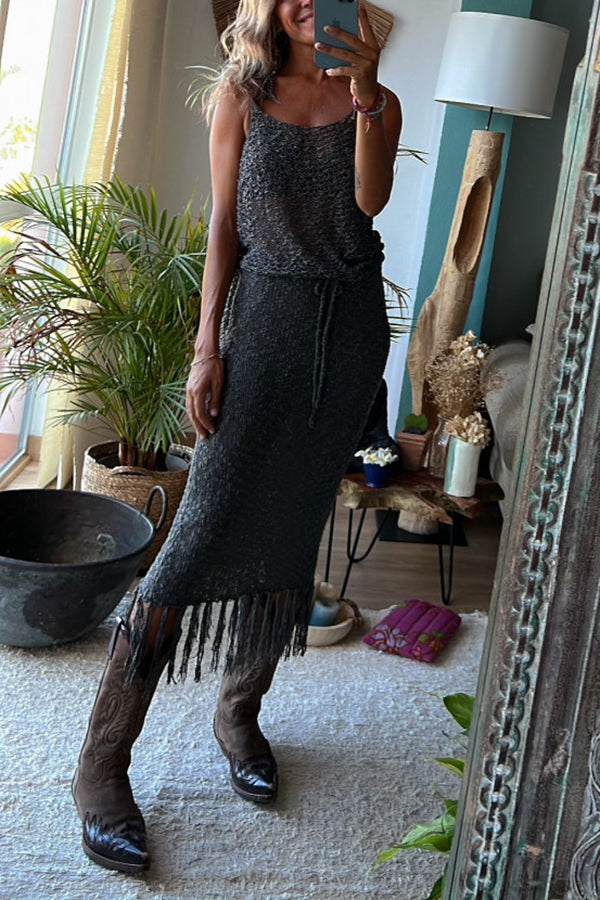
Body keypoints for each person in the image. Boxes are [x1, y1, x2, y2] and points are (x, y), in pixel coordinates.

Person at [72, 0, 402, 875]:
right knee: (190, 547)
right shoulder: (240, 97)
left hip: (348, 341)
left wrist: (367, 91)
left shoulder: (376, 100)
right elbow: (223, 227)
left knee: (293, 533)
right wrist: (205, 349)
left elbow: (370, 200)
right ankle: (100, 764)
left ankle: (238, 713)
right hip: (261, 331)